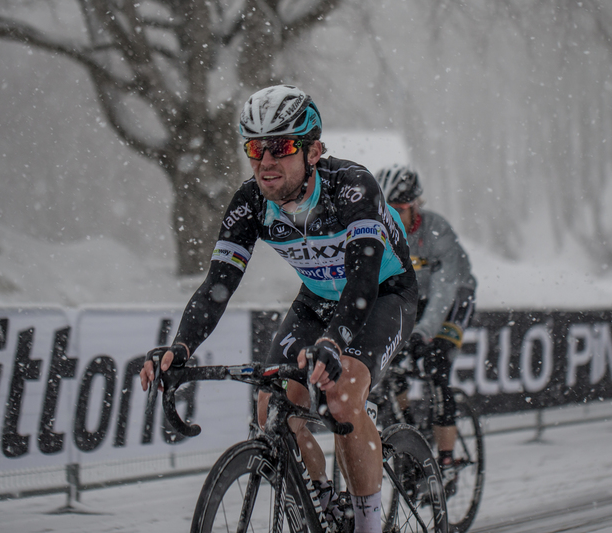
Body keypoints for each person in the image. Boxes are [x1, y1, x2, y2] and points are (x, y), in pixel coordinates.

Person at [140, 85, 418, 533]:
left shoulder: (351, 188)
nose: (265, 161)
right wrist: (182, 346)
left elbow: (363, 278)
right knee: (271, 408)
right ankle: (322, 501)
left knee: (342, 397)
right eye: (255, 148)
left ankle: (367, 525)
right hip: (317, 299)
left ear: (313, 151)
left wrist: (334, 341)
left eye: (281, 146)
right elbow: (217, 285)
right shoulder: (250, 202)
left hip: (383, 293)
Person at [373, 164, 477, 483]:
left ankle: (445, 462)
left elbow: (445, 290)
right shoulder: (380, 233)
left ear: (416, 205)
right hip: (415, 299)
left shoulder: (437, 231)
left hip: (454, 298)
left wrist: (423, 333)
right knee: (388, 366)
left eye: (400, 210)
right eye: (387, 210)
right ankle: (409, 433)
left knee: (436, 363)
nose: (394, 218)